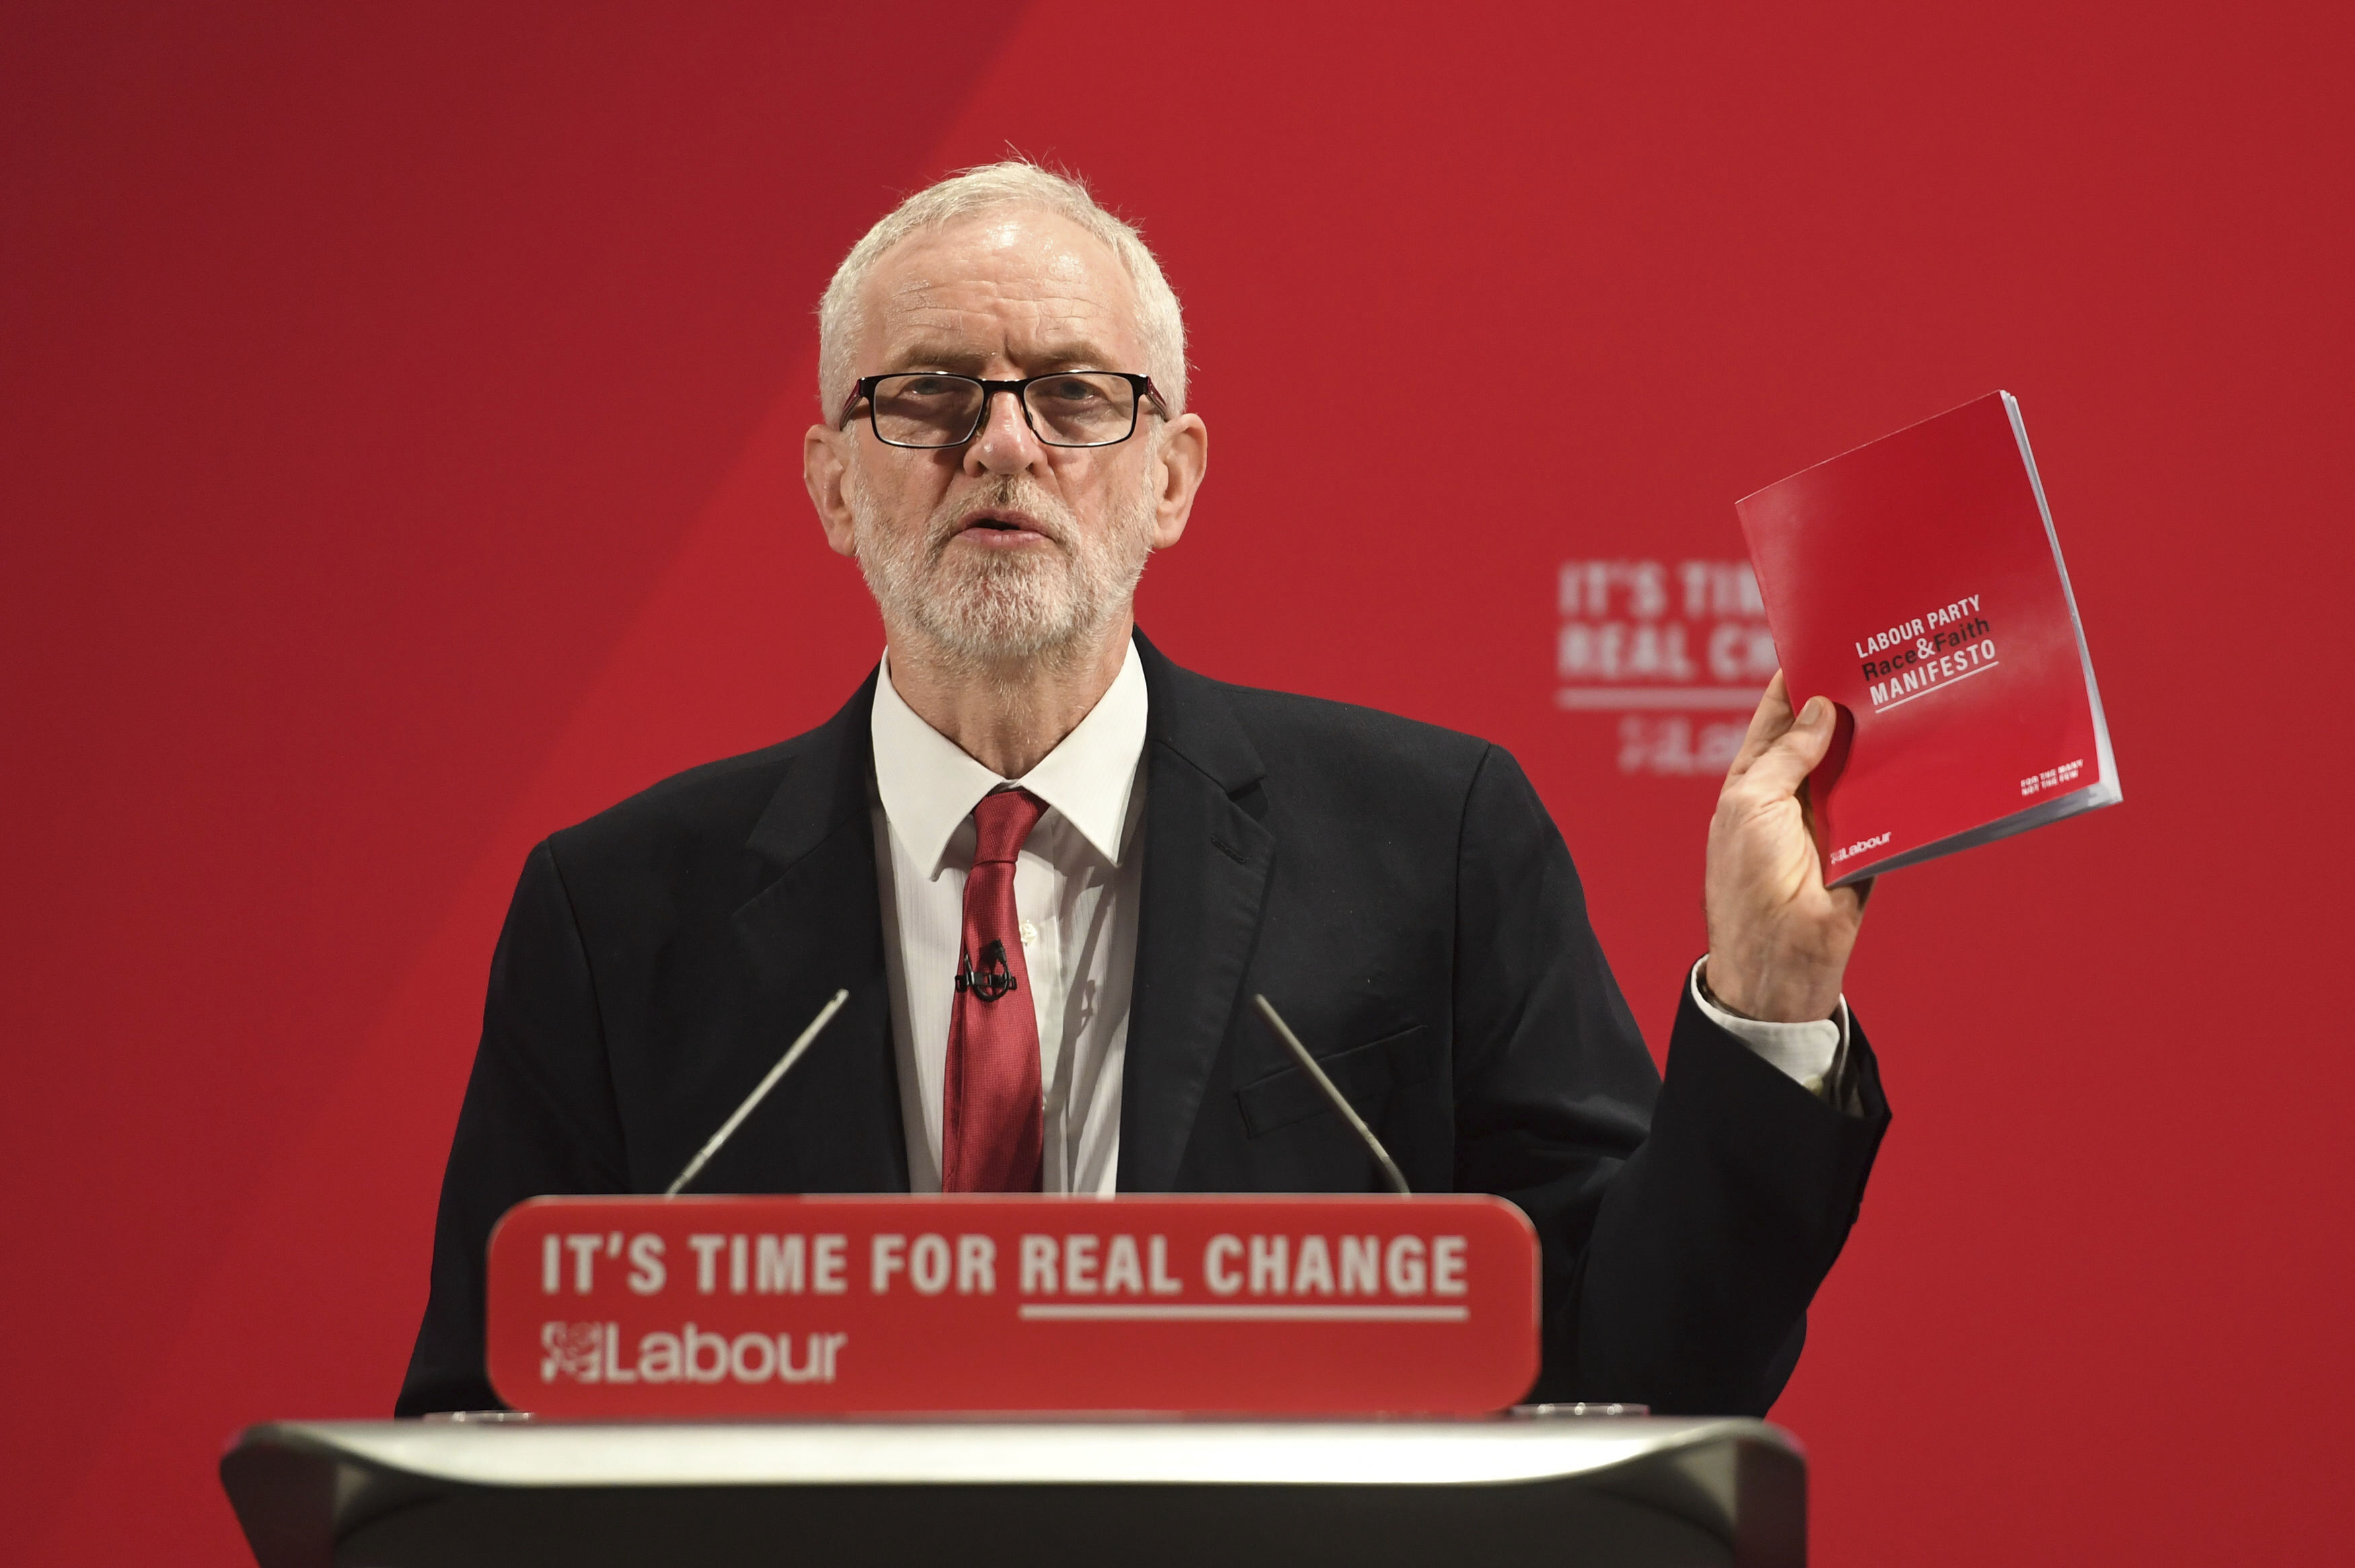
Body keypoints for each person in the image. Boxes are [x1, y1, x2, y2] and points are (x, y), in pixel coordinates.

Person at [397, 162, 1887, 1419]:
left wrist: (1765, 1006)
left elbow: (1644, 1370)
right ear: (833, 483)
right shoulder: (616, 913)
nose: (1001, 445)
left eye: (1070, 394)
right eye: (924, 396)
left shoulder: (1429, 842)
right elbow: (479, 1427)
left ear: (1171, 476)